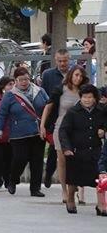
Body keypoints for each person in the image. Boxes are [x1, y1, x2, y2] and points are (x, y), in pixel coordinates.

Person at [0, 66, 49, 197]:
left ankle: (35, 188)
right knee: (20, 158)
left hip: (37, 131)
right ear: (16, 80)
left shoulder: (39, 91)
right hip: (19, 133)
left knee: (37, 161)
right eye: (21, 80)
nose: (24, 82)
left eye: (26, 79)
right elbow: (2, 113)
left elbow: (48, 105)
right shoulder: (10, 95)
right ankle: (13, 180)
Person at [41, 65, 89, 204]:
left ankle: (81, 190)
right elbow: (48, 107)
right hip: (61, 127)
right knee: (62, 160)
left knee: (80, 159)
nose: (78, 78)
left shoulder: (85, 91)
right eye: (76, 75)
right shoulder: (60, 89)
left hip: (80, 128)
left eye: (80, 76)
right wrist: (42, 126)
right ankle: (65, 190)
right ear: (71, 75)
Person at [57, 84, 105, 214]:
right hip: (76, 150)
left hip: (95, 149)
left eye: (90, 97)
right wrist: (66, 148)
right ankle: (71, 199)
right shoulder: (73, 112)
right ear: (81, 97)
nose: (87, 100)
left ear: (95, 98)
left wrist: (103, 129)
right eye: (84, 97)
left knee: (100, 178)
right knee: (73, 178)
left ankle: (101, 204)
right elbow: (63, 131)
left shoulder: (101, 111)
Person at [40, 49, 73, 189]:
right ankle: (49, 173)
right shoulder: (48, 75)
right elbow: (44, 95)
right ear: (55, 60)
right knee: (54, 147)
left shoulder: (74, 74)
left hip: (71, 116)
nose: (62, 64)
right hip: (54, 116)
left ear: (69, 59)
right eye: (59, 61)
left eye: (65, 61)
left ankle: (72, 180)